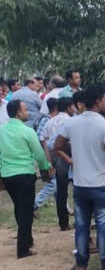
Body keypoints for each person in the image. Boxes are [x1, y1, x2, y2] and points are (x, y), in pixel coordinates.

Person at [54, 84, 105, 270]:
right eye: (104, 99)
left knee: (82, 225)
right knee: (104, 224)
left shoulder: (71, 123)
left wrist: (71, 160)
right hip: (101, 182)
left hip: (80, 183)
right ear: (97, 101)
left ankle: (81, 263)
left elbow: (57, 146)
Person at [0, 100, 52, 258]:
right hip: (25, 175)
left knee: (19, 207)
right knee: (26, 211)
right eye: (25, 109)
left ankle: (27, 239)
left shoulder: (1, 130)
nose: (28, 112)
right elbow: (39, 154)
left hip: (8, 175)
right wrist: (46, 167)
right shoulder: (27, 131)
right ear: (18, 113)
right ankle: (23, 248)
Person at [49, 97, 76, 231]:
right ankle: (76, 218)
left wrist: (49, 161)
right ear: (69, 107)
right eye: (73, 106)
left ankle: (63, 222)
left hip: (53, 155)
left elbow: (45, 140)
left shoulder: (51, 120)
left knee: (61, 189)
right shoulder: (70, 120)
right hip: (65, 154)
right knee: (74, 187)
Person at [32, 97, 60, 216]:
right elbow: (40, 137)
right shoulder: (47, 120)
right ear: (56, 107)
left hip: (52, 154)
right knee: (54, 182)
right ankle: (34, 204)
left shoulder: (51, 119)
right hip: (47, 155)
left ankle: (65, 208)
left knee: (57, 181)